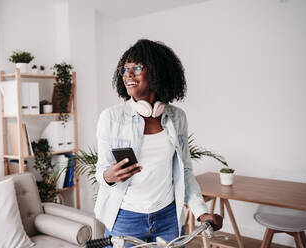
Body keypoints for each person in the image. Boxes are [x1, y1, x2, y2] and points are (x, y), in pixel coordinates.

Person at [94, 39, 222, 246]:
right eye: (124, 69)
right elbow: (101, 170)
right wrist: (108, 176)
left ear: (157, 72)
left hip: (168, 217)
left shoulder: (177, 117)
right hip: (125, 217)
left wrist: (201, 212)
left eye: (136, 67)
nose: (128, 74)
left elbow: (185, 171)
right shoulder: (111, 117)